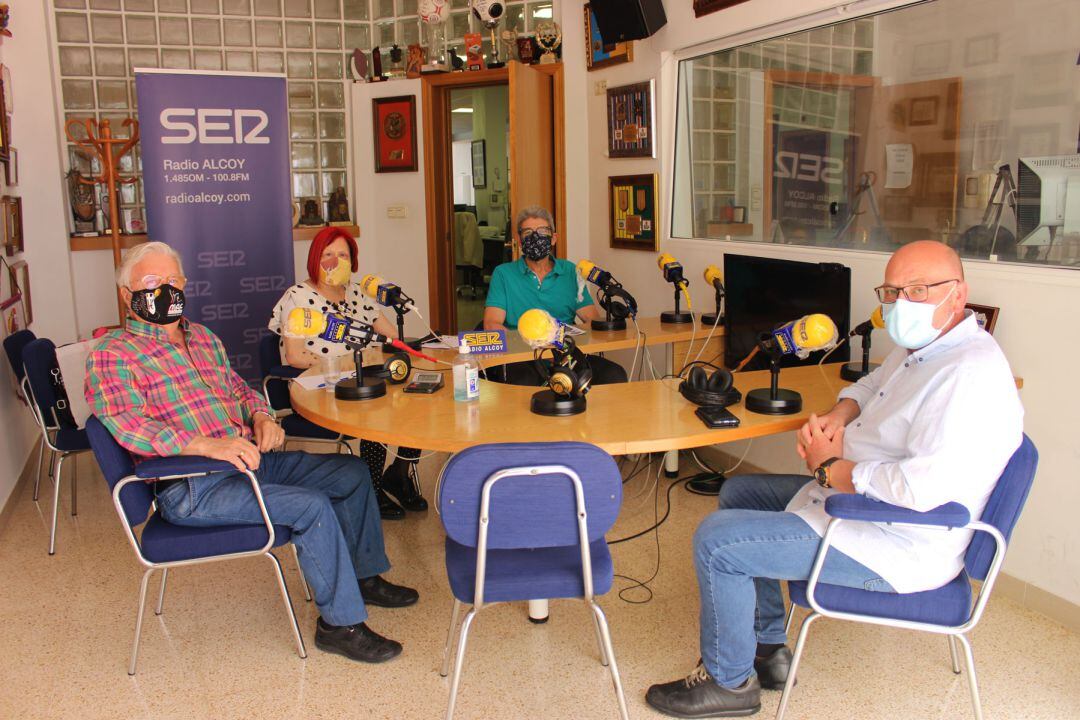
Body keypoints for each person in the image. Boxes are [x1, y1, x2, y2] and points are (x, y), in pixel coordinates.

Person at [646, 240, 1023, 717]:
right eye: (892, 291)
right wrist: (839, 417)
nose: (902, 303)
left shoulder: (967, 375)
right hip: (862, 505)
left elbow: (919, 490)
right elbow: (870, 386)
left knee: (718, 542)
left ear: (958, 293)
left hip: (894, 537)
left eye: (919, 290)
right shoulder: (927, 348)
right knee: (742, 491)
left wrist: (830, 468)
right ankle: (766, 651)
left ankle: (729, 683)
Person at [87, 241, 418, 664]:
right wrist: (209, 446)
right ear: (125, 294)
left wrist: (262, 416)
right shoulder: (113, 354)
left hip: (248, 461)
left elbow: (238, 389)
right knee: (312, 506)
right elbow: (128, 423)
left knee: (350, 472)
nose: (165, 290)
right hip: (192, 484)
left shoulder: (201, 337)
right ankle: (340, 625)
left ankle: (364, 575)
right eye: (151, 283)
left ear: (185, 284)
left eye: (173, 280)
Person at [268, 227, 425, 520]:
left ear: (352, 261)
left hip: (366, 375)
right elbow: (295, 355)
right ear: (315, 258)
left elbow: (392, 337)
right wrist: (339, 365)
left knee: (418, 399)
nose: (334, 261)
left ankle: (400, 474)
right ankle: (373, 490)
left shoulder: (357, 293)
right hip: (321, 386)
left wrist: (415, 344)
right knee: (377, 410)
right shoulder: (297, 297)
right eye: (327, 254)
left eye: (342, 255)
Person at [483, 206, 627, 385]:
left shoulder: (570, 271)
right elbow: (492, 323)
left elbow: (592, 320)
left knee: (614, 375)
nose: (535, 237)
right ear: (520, 241)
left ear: (554, 238)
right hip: (522, 356)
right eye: (528, 233)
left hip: (565, 353)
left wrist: (563, 347)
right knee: (525, 382)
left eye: (542, 231)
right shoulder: (503, 274)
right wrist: (530, 346)